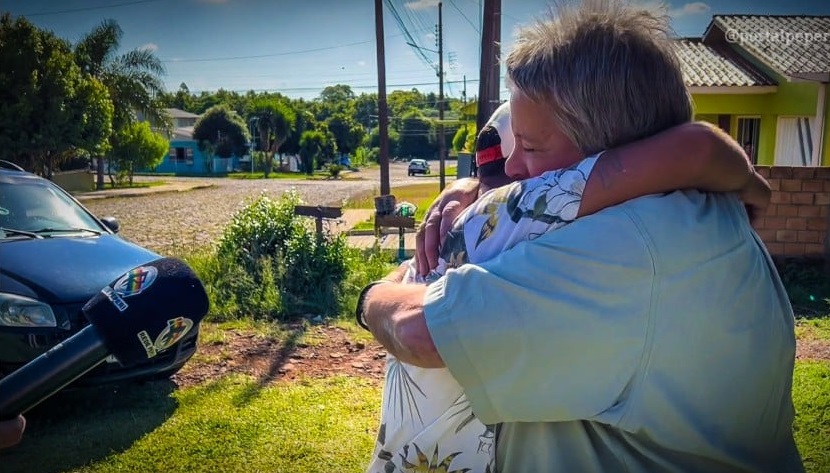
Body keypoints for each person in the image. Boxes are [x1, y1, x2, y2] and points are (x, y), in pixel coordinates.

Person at [357, 0, 804, 471]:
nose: (514, 168)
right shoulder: (697, 210)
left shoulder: (622, 249)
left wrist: (372, 296)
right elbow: (699, 151)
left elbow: (421, 332)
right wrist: (480, 189)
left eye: (530, 146)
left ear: (610, 149)